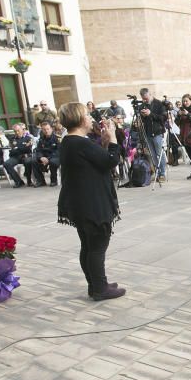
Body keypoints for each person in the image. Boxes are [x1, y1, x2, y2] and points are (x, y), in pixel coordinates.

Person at [56, 102, 124, 301]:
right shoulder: (79, 142)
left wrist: (103, 144)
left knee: (88, 246)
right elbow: (110, 161)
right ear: (79, 119)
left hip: (81, 202)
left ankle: (96, 285)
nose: (90, 118)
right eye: (87, 115)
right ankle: (100, 289)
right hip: (91, 204)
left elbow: (96, 162)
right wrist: (112, 141)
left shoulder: (70, 141)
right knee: (96, 247)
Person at [137, 88, 168, 183]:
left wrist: (150, 114)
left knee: (159, 153)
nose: (145, 100)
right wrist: (141, 116)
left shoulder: (159, 103)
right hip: (147, 133)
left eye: (146, 98)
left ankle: (162, 173)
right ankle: (157, 173)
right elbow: (142, 120)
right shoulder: (142, 105)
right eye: (143, 99)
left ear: (150, 94)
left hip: (157, 132)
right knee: (152, 155)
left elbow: (163, 118)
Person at [29, 121, 60, 187]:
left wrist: (48, 158)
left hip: (55, 157)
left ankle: (54, 181)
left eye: (48, 129)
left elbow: (58, 151)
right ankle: (41, 181)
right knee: (33, 161)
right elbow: (38, 150)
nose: (46, 131)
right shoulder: (41, 139)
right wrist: (40, 157)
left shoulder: (57, 138)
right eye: (44, 129)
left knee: (53, 162)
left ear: (51, 129)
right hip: (44, 157)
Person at [4, 123, 35, 188]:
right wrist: (22, 148)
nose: (17, 132)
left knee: (28, 161)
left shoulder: (28, 138)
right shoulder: (12, 139)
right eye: (15, 131)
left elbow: (27, 149)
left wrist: (17, 148)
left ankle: (29, 181)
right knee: (7, 164)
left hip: (26, 156)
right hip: (15, 157)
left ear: (22, 130)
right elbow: (11, 150)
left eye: (18, 130)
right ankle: (18, 181)